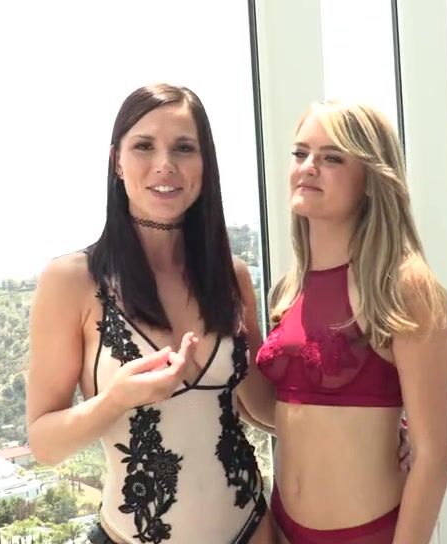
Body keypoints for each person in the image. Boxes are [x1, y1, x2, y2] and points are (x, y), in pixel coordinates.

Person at [26, 83, 276, 544]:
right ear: (116, 162)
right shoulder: (72, 281)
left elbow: (263, 404)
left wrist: (370, 427)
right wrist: (115, 399)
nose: (165, 164)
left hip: (254, 529)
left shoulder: (231, 276)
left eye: (184, 148)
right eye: (144, 146)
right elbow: (44, 443)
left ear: (205, 164)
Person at [255, 101, 447, 544]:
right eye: (300, 153)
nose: (309, 166)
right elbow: (284, 413)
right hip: (281, 529)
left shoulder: (401, 287)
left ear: (370, 180)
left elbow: (434, 454)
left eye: (332, 158)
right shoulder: (288, 290)